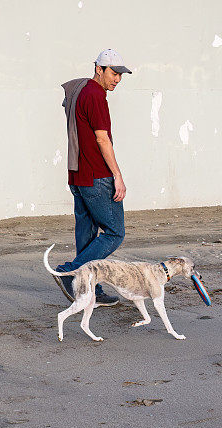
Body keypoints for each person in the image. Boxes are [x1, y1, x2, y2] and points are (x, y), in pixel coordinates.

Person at [54, 49, 132, 306]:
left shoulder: (79, 91)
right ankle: (72, 272)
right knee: (114, 232)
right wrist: (117, 176)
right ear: (98, 69)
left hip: (77, 175)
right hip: (97, 176)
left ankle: (87, 290)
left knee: (87, 234)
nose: (117, 79)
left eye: (120, 74)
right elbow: (102, 138)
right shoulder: (96, 96)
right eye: (113, 72)